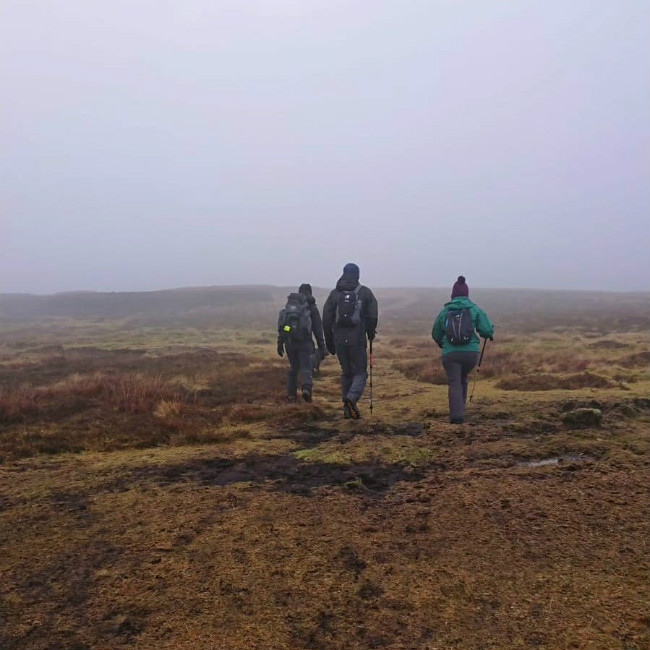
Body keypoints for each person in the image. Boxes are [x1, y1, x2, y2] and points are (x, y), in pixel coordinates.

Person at [432, 275, 494, 424]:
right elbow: (486, 330)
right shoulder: (474, 309)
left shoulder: (445, 311)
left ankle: (457, 416)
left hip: (450, 354)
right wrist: (489, 333)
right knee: (463, 378)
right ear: (466, 293)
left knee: (454, 381)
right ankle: (461, 408)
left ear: (453, 294)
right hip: (470, 354)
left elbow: (435, 333)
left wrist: (443, 344)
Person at [322, 263, 378, 419]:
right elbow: (373, 316)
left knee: (346, 373)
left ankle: (347, 410)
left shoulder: (335, 294)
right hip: (357, 340)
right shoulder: (365, 293)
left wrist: (329, 341)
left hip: (339, 339)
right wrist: (370, 333)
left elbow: (326, 319)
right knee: (360, 373)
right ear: (358, 275)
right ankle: (352, 398)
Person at [277, 283, 326, 402]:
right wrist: (322, 346)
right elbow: (318, 329)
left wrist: (280, 342)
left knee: (293, 369)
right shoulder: (311, 308)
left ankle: (291, 395)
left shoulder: (291, 308)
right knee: (306, 368)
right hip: (305, 343)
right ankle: (306, 390)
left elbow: (285, 327)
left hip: (290, 343)